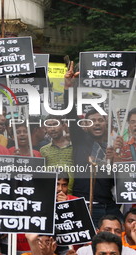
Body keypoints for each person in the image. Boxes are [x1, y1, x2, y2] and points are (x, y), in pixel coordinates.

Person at [64, 61, 122, 226]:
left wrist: (115, 160)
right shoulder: (80, 140)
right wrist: (68, 88)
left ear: (106, 123)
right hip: (83, 204)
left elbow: (121, 181)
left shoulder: (113, 145)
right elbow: (69, 113)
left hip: (107, 207)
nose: (96, 123)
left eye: (100, 120)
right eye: (92, 121)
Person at [40, 115, 74, 193]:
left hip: (71, 193)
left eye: (55, 124)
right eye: (49, 126)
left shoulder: (74, 147)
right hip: (51, 193)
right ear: (45, 129)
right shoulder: (43, 150)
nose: (52, 129)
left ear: (63, 125)